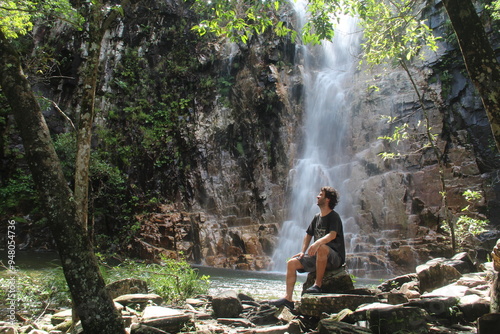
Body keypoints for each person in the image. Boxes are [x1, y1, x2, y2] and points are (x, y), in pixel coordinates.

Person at [270, 186, 345, 309]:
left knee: (321, 248)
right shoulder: (317, 217)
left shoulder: (334, 216)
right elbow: (308, 234)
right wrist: (302, 252)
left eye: (321, 195)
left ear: (327, 200)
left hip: (335, 258)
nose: (317, 196)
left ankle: (318, 285)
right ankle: (288, 298)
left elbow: (332, 235)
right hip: (318, 257)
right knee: (291, 263)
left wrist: (317, 243)